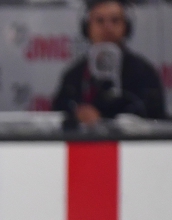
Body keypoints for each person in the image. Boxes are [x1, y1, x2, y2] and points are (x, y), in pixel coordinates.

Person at [52, 0, 166, 130]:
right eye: (100, 21)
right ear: (87, 27)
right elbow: (58, 113)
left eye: (115, 21)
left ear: (126, 27)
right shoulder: (74, 75)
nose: (108, 27)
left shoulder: (144, 73)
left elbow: (155, 117)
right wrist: (77, 115)